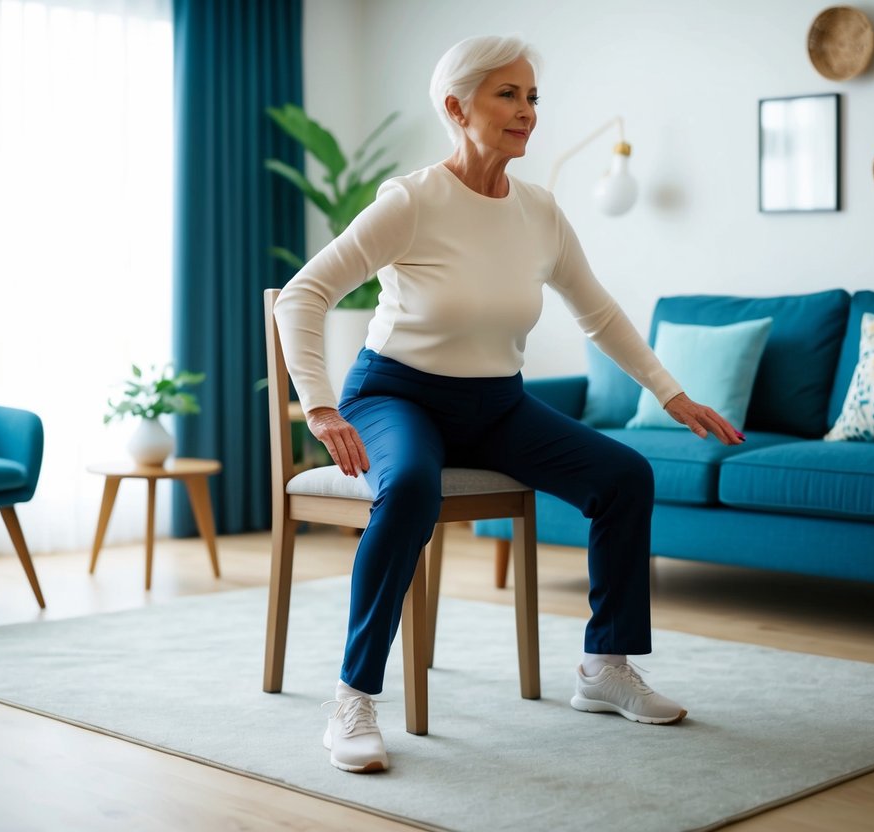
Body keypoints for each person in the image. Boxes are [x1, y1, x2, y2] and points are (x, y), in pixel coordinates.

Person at [273, 34, 744, 774]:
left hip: (496, 404)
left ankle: (603, 668)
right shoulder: (411, 200)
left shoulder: (540, 212)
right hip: (395, 393)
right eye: (507, 95)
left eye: (531, 97)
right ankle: (353, 699)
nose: (525, 111)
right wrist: (321, 407)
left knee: (623, 476)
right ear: (457, 108)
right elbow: (304, 295)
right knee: (410, 491)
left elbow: (599, 313)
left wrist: (670, 391)